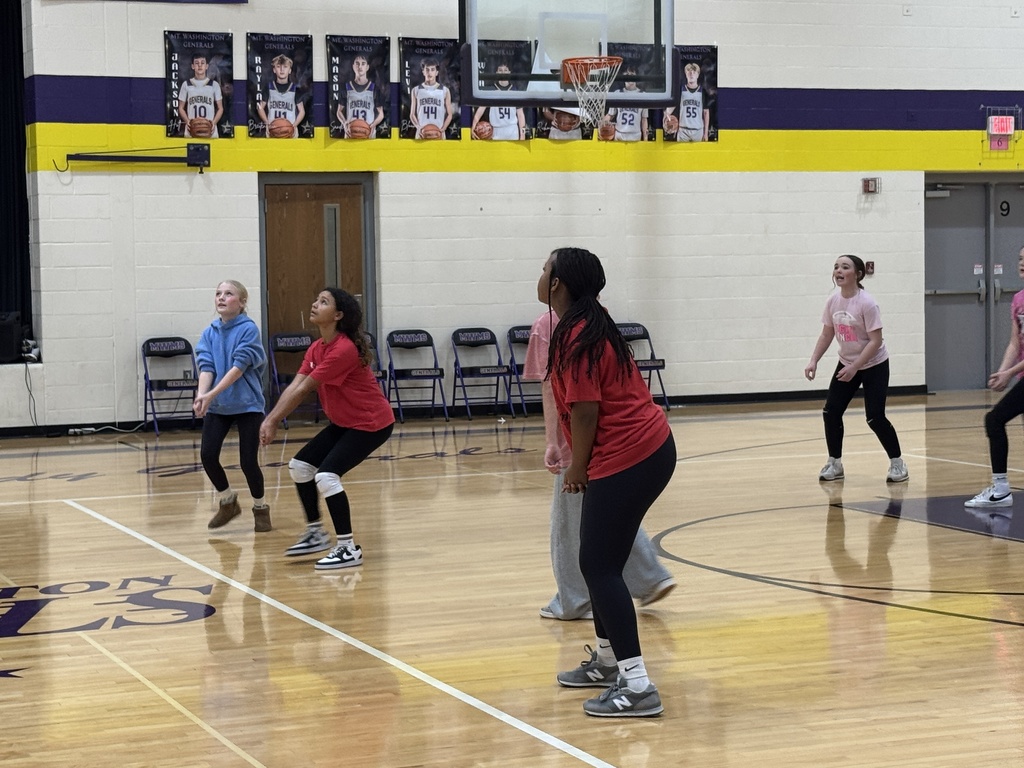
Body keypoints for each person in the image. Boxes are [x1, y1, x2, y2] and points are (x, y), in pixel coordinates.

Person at [538, 247, 677, 718]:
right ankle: (608, 660)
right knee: (601, 561)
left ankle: (637, 686)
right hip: (645, 449)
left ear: (558, 283)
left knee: (598, 565)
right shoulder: (586, 321)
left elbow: (586, 409)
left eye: (545, 269)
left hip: (631, 454)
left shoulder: (578, 333)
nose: (540, 276)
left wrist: (577, 465)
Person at [523, 308, 675, 621]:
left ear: (559, 282)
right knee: (607, 518)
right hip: (620, 439)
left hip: (585, 444)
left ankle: (575, 601)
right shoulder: (598, 318)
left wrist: (555, 443)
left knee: (569, 526)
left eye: (546, 270)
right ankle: (650, 577)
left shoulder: (549, 325)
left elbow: (555, 391)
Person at [259, 288, 394, 570]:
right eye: (316, 299)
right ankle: (316, 533)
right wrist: (271, 417)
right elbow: (295, 385)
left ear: (338, 315)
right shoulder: (317, 347)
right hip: (345, 422)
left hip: (370, 424)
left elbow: (304, 390)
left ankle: (347, 548)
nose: (314, 304)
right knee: (300, 466)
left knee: (327, 475)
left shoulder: (343, 349)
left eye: (323, 302)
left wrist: (271, 421)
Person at [804, 254, 908, 483]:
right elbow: (827, 333)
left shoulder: (867, 303)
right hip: (847, 362)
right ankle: (835, 462)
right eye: (836, 267)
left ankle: (898, 463)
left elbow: (875, 341)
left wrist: (855, 368)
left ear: (858, 274)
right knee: (831, 412)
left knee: (875, 417)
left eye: (845, 267)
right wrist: (814, 360)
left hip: (874, 364)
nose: (838, 270)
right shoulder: (833, 301)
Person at [193, 280, 270, 532]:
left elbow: (238, 368)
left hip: (248, 405)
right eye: (218, 293)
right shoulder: (210, 332)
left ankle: (260, 507)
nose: (221, 298)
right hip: (219, 406)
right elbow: (207, 367)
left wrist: (212, 393)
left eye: (228, 294)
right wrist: (202, 395)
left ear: (242, 302)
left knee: (248, 461)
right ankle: (228, 501)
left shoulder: (248, 329)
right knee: (207, 455)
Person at [965, 247, 1024, 509]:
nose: (1022, 263)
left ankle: (1000, 489)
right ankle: (1000, 489)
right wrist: (1004, 371)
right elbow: (1014, 342)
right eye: (1021, 258)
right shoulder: (1019, 299)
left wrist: (1010, 373)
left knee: (994, 419)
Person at [471, 63, 526, 141]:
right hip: (496, 130)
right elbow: (480, 110)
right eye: (500, 70)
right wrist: (473, 126)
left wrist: (522, 135)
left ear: (509, 72)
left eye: (505, 70)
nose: (503, 72)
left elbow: (520, 115)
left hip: (512, 130)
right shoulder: (491, 90)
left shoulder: (515, 91)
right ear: (496, 72)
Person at [336, 54, 384, 138]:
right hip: (350, 132)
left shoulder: (374, 88)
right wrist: (344, 122)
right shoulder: (346, 87)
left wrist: (374, 124)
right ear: (353, 66)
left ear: (367, 67)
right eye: (357, 63)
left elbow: (381, 114)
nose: (360, 66)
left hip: (368, 132)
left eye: (363, 63)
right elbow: (339, 111)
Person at [257, 54, 304, 138]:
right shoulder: (269, 87)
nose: (282, 70)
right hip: (273, 130)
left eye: (285, 67)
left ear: (290, 70)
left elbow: (302, 111)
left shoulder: (295, 89)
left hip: (290, 130)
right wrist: (267, 123)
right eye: (278, 67)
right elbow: (260, 108)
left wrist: (294, 125)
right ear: (274, 70)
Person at [178, 52, 224, 138]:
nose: (200, 66)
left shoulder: (214, 85)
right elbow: (181, 108)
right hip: (191, 129)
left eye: (202, 63)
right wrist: (187, 121)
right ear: (192, 66)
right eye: (197, 63)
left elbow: (220, 108)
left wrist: (213, 123)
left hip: (210, 129)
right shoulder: (186, 84)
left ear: (206, 66)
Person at [664, 62, 708, 142]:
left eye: (694, 72)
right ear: (685, 74)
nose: (691, 74)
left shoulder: (702, 91)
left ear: (698, 75)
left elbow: (706, 113)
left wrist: (706, 133)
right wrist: (666, 116)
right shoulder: (680, 90)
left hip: (698, 130)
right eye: (689, 72)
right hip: (683, 129)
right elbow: (670, 109)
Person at [602, 67, 649, 142]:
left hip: (635, 135)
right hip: (619, 134)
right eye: (627, 74)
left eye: (632, 74)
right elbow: (610, 115)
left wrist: (645, 139)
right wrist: (601, 124)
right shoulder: (617, 93)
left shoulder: (643, 95)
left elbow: (644, 119)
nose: (629, 76)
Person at [410, 58, 452, 139]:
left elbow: (449, 114)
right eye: (427, 70)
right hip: (421, 134)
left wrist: (443, 129)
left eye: (432, 70)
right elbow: (412, 114)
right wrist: (418, 127)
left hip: (438, 133)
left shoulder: (445, 90)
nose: (429, 73)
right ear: (423, 72)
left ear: (437, 72)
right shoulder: (416, 90)